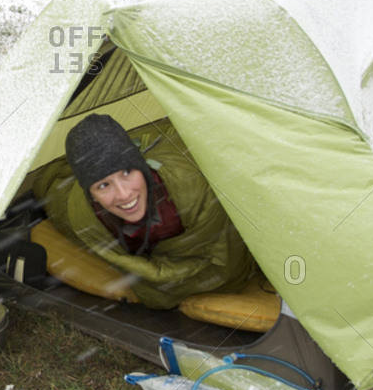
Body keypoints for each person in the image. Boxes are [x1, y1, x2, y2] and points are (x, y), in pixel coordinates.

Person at [31, 113, 255, 310]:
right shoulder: (82, 217)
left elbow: (226, 260)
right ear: (90, 194)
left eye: (127, 172)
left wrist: (157, 279)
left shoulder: (192, 188)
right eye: (103, 185)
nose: (123, 194)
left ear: (143, 166)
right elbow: (47, 187)